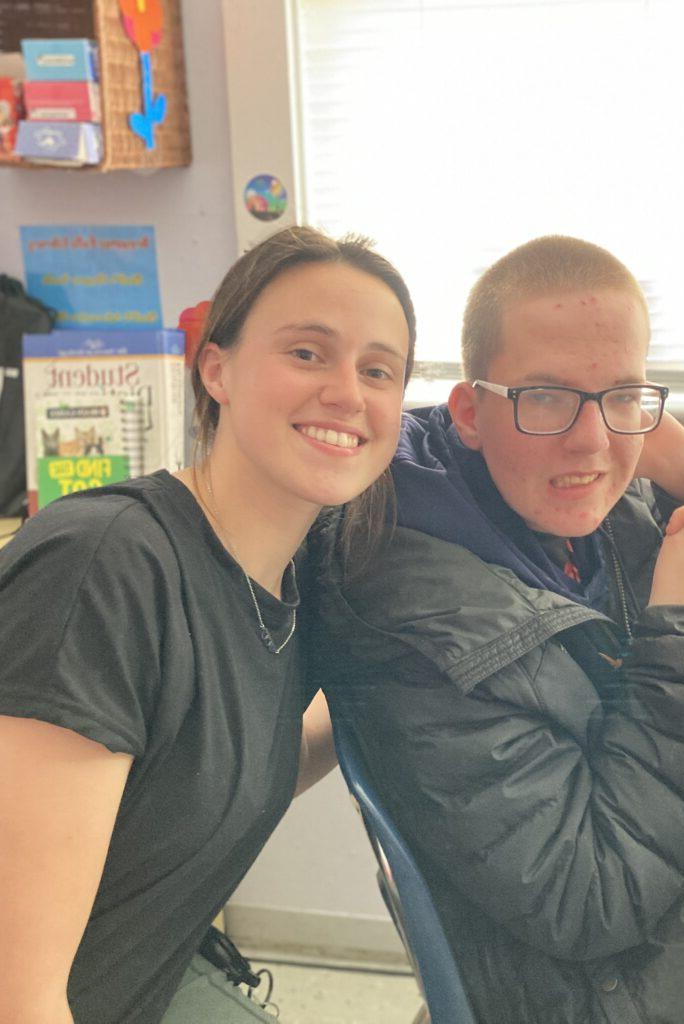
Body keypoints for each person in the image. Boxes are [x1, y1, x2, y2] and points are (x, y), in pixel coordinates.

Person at [306, 235, 684, 1024]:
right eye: (545, 397)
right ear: (471, 412)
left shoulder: (581, 509)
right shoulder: (419, 619)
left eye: (622, 395)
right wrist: (676, 627)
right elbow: (593, 900)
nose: (588, 443)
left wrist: (671, 455)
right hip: (605, 983)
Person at [0, 225, 415, 1024]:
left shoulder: (292, 582)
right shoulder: (105, 571)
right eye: (306, 353)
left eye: (377, 370)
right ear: (216, 369)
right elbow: (19, 996)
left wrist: (390, 695)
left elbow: (206, 772)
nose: (347, 393)